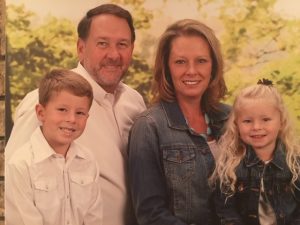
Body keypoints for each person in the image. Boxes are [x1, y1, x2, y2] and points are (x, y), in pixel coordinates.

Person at [5, 4, 146, 225]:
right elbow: (18, 186)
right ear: (81, 48)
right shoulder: (44, 102)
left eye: (122, 44)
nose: (114, 54)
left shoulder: (134, 103)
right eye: (102, 43)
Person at [128, 19, 231, 225]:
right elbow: (150, 215)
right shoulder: (149, 127)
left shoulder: (232, 119)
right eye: (180, 62)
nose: (191, 71)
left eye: (201, 61)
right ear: (167, 68)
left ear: (214, 65)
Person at [5, 69, 102, 225]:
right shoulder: (21, 165)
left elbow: (94, 219)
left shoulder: (88, 162)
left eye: (80, 113)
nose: (72, 119)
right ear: (41, 113)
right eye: (62, 110)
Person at [211, 79, 300, 225]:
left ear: (281, 122)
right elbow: (225, 210)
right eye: (247, 121)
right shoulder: (230, 165)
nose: (256, 127)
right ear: (236, 125)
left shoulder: (294, 162)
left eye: (265, 119)